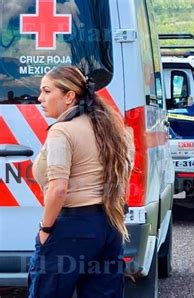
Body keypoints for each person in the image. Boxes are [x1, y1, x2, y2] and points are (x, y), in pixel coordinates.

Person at [28, 66, 133, 297]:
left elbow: (58, 188)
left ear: (69, 96)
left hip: (71, 227)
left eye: (47, 91)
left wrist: (45, 230)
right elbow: (124, 175)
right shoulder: (110, 127)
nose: (40, 98)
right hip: (108, 226)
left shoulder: (62, 131)